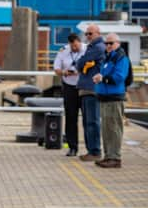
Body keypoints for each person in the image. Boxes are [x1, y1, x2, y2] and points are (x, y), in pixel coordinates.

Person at [93, 33, 130, 168]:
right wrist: (99, 77)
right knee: (106, 129)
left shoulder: (121, 58)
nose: (108, 46)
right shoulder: (107, 58)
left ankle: (115, 158)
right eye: (106, 43)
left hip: (114, 98)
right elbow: (105, 74)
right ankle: (108, 156)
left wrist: (103, 78)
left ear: (118, 43)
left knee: (114, 128)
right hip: (105, 97)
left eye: (111, 43)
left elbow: (119, 77)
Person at [76, 24, 105, 161]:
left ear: (98, 33)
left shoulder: (98, 48)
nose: (87, 36)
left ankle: (95, 151)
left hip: (92, 89)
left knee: (92, 121)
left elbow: (79, 63)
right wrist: (81, 63)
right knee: (87, 122)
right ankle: (91, 150)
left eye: (90, 33)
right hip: (86, 89)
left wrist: (82, 63)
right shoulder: (92, 48)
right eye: (86, 34)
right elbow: (80, 64)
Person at [54, 33, 86, 157]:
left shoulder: (87, 49)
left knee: (87, 118)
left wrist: (78, 72)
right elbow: (56, 69)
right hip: (69, 87)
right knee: (70, 118)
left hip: (84, 87)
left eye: (76, 46)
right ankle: (72, 147)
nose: (74, 48)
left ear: (79, 42)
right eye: (72, 46)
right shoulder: (63, 51)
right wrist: (63, 72)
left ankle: (91, 148)